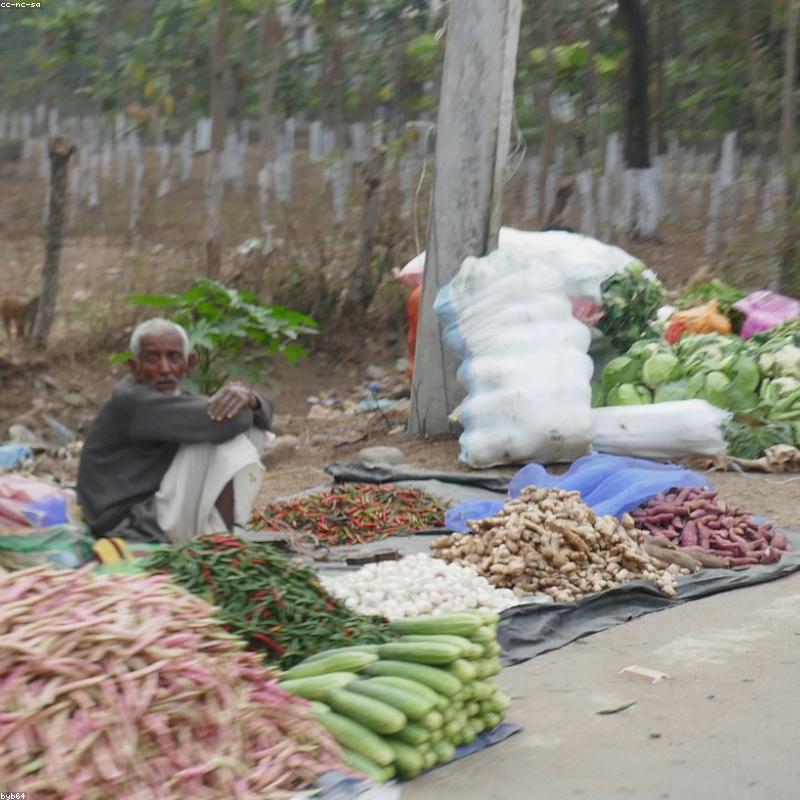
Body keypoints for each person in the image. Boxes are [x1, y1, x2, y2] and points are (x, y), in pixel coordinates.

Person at [77, 318, 273, 543]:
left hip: (145, 507)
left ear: (189, 364)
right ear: (135, 368)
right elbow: (230, 422)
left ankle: (221, 534)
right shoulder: (133, 400)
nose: (164, 369)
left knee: (247, 429)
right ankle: (222, 543)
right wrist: (241, 402)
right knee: (225, 439)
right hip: (122, 522)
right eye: (152, 358)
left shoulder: (175, 398)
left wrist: (249, 399)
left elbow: (263, 417)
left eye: (173, 357)